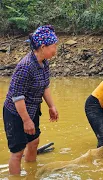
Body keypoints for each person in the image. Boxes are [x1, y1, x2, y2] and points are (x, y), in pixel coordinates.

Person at [2, 25, 59, 175]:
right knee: (18, 151)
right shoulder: (25, 66)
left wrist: (51, 106)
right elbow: (17, 97)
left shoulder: (44, 62)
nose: (56, 49)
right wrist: (26, 120)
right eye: (54, 46)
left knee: (33, 142)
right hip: (16, 113)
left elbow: (44, 86)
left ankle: (31, 174)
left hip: (32, 108)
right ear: (43, 46)